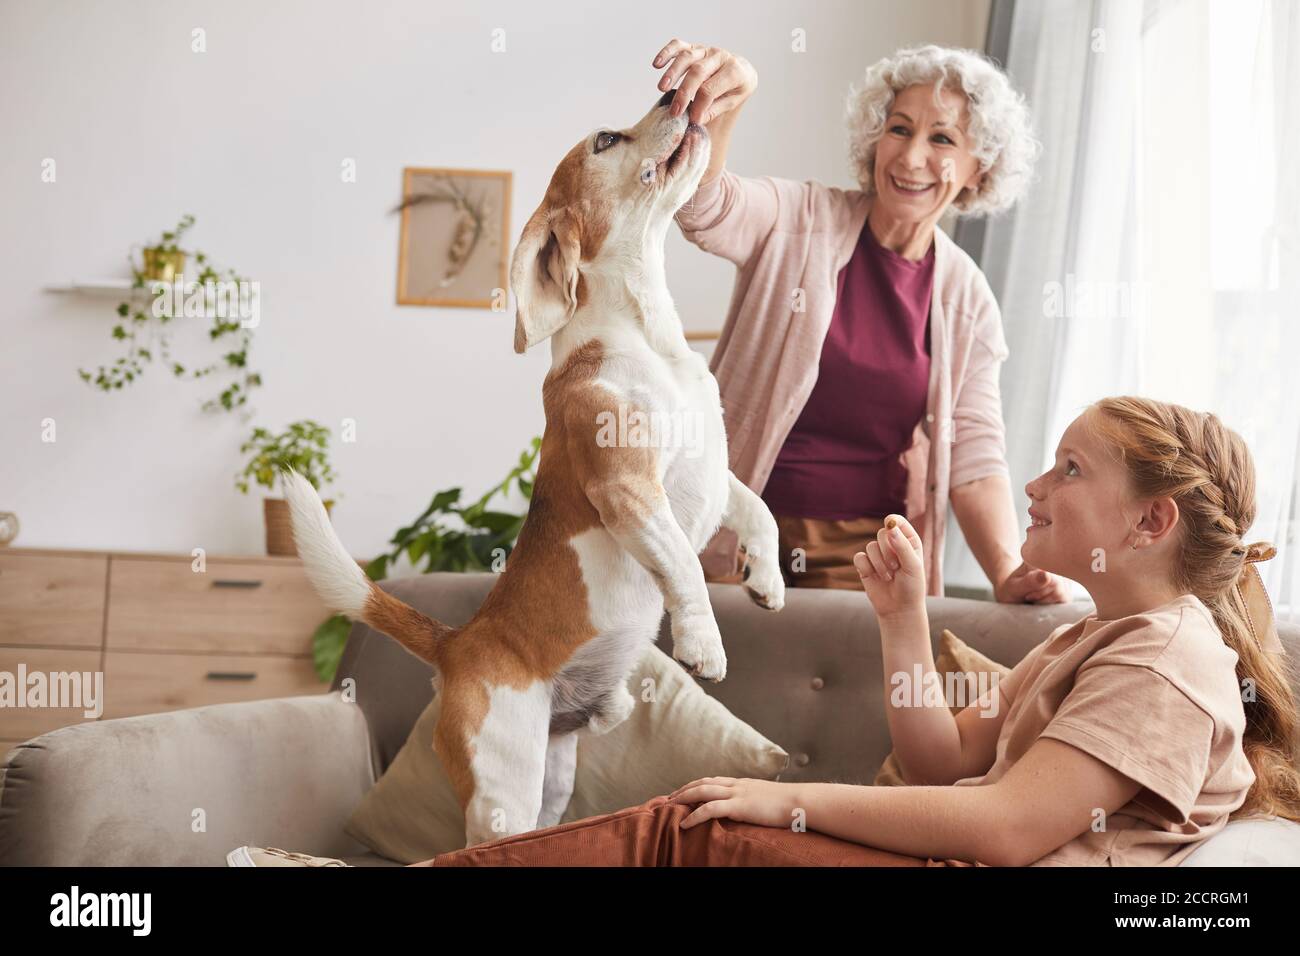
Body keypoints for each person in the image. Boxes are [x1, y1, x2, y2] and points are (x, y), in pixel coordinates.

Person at [237, 396, 1298, 866]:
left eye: (1070, 468)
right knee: (695, 831)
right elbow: (943, 763)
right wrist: (897, 621)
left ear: (1150, 521)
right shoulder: (1087, 637)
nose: (1033, 481)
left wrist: (787, 798)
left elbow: (1007, 827)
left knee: (693, 828)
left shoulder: (1166, 655)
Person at [658, 40, 1068, 601]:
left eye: (942, 138)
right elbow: (701, 208)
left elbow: (972, 457)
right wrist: (727, 104)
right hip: (729, 525)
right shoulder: (799, 219)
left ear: (980, 169)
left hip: (861, 554)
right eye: (899, 129)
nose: (911, 157)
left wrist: (1005, 572)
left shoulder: (966, 297)